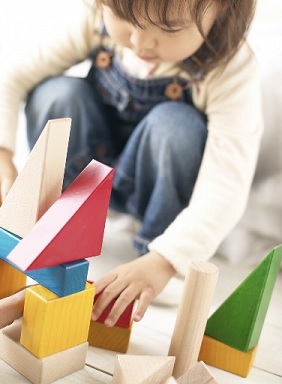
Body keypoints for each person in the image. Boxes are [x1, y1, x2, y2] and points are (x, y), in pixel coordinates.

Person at [0, 0, 262, 328]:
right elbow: (12, 77)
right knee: (56, 93)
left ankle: (152, 249)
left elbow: (226, 182)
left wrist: (166, 261)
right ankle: (57, 221)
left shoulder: (228, 66)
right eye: (124, 17)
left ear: (224, 9)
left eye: (168, 28)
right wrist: (3, 155)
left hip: (152, 190)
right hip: (88, 172)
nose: (140, 42)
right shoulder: (94, 23)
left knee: (176, 127)